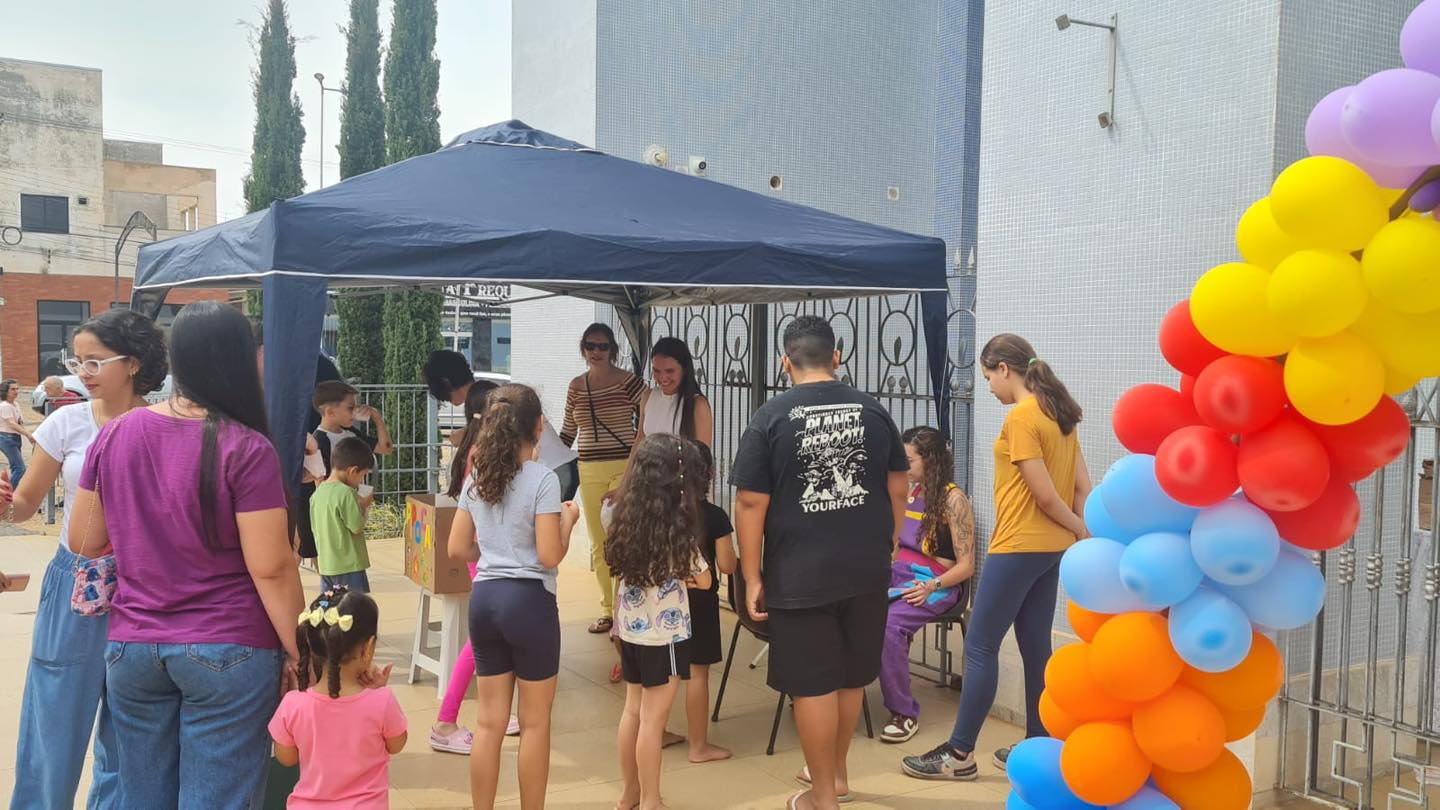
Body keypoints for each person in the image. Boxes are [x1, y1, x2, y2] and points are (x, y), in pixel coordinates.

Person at [67, 301, 306, 808]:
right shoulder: (246, 447)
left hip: (133, 646)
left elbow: (83, 541)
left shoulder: (116, 433)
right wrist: (300, 648)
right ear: (239, 360)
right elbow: (271, 568)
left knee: (143, 796)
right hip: (229, 645)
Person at [730, 315, 908, 810]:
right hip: (866, 568)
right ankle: (839, 776)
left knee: (813, 686)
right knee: (850, 679)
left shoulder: (771, 417)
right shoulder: (874, 411)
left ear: (785, 362)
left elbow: (750, 502)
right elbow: (898, 486)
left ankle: (823, 796)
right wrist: (890, 540)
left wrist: (751, 575)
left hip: (800, 573)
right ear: (836, 357)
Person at [902, 334, 1092, 781]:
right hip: (1051, 549)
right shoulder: (1060, 413)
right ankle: (1039, 742)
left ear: (1005, 369)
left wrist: (1080, 530)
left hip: (1019, 545)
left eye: (989, 377)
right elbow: (1082, 487)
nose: (988, 387)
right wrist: (1076, 530)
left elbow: (1045, 496)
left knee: (980, 645)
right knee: (1035, 644)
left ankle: (959, 755)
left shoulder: (1022, 417)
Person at [4, 308, 167, 810]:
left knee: (129, 731)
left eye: (95, 362)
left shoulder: (165, 425)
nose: (83, 374)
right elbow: (25, 505)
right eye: (77, 362)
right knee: (53, 719)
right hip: (74, 581)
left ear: (134, 363)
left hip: (143, 587)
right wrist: (5, 503)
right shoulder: (66, 422)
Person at [445, 384, 579, 810]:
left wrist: (494, 552)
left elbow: (457, 548)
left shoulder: (478, 476)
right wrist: (569, 523)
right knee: (535, 724)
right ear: (538, 426)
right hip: (529, 603)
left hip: (485, 599)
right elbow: (549, 555)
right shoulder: (542, 479)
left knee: (488, 724)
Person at [605, 435, 712, 810]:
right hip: (664, 637)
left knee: (632, 712)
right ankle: (651, 800)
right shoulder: (677, 532)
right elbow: (705, 579)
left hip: (629, 631)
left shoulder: (619, 520)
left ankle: (629, 794)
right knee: (653, 721)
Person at [430, 381, 521, 754]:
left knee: (493, 638)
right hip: (488, 557)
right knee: (481, 641)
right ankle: (445, 722)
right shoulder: (484, 455)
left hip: (488, 556)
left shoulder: (479, 449)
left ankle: (493, 711)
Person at [878, 427, 976, 744]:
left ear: (931, 461)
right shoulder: (911, 492)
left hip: (936, 584)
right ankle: (822, 693)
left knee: (888, 627)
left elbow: (966, 566)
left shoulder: (953, 500)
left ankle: (903, 713)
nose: (903, 467)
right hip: (899, 573)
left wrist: (932, 585)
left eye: (909, 461)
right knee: (847, 603)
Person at [269, 587, 408, 808]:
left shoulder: (293, 704)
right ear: (368, 647)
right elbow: (396, 744)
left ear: (311, 646)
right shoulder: (381, 701)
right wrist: (377, 690)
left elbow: (286, 758)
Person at [558, 324, 646, 662]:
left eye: (603, 346)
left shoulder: (627, 381)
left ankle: (626, 605)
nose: (597, 351)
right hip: (589, 467)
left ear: (613, 349)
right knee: (599, 542)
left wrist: (641, 445)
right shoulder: (576, 387)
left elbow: (651, 408)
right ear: (583, 348)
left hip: (624, 464)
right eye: (591, 345)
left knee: (622, 536)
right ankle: (608, 609)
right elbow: (568, 432)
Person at [423, 350, 579, 500]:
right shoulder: (488, 392)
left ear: (446, 382)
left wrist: (466, 436)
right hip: (558, 468)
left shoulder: (487, 396)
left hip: (553, 470)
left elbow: (497, 432)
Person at [677, 441, 736, 763]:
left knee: (660, 674)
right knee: (697, 674)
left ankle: (655, 732)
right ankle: (698, 746)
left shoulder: (658, 513)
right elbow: (726, 565)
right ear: (710, 473)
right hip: (700, 602)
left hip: (663, 601)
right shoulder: (715, 516)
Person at [298, 381, 393, 560]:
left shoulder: (351, 433)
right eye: (350, 408)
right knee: (324, 557)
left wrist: (376, 418)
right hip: (332, 513)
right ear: (330, 412)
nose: (355, 412)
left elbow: (385, 448)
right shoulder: (319, 442)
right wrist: (356, 501)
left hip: (350, 509)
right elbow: (320, 484)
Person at [311, 437, 377, 593]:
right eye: (362, 475)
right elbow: (357, 527)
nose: (361, 480)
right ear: (353, 470)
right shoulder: (347, 493)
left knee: (331, 605)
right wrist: (363, 506)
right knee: (354, 605)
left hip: (327, 565)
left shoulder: (317, 493)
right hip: (349, 565)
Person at [634, 337, 712, 447]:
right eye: (657, 371)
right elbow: (640, 440)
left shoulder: (698, 404)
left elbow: (703, 452)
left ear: (684, 369)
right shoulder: (648, 396)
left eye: (670, 371)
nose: (663, 377)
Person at [0, 379, 35, 487]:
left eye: (17, 389)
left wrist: (28, 435)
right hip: (6, 438)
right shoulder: (5, 406)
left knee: (15, 467)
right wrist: (27, 434)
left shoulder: (15, 404)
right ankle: (8, 492)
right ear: (6, 391)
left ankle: (11, 491)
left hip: (15, 438)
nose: (16, 391)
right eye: (13, 389)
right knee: (20, 468)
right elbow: (12, 423)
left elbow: (19, 422)